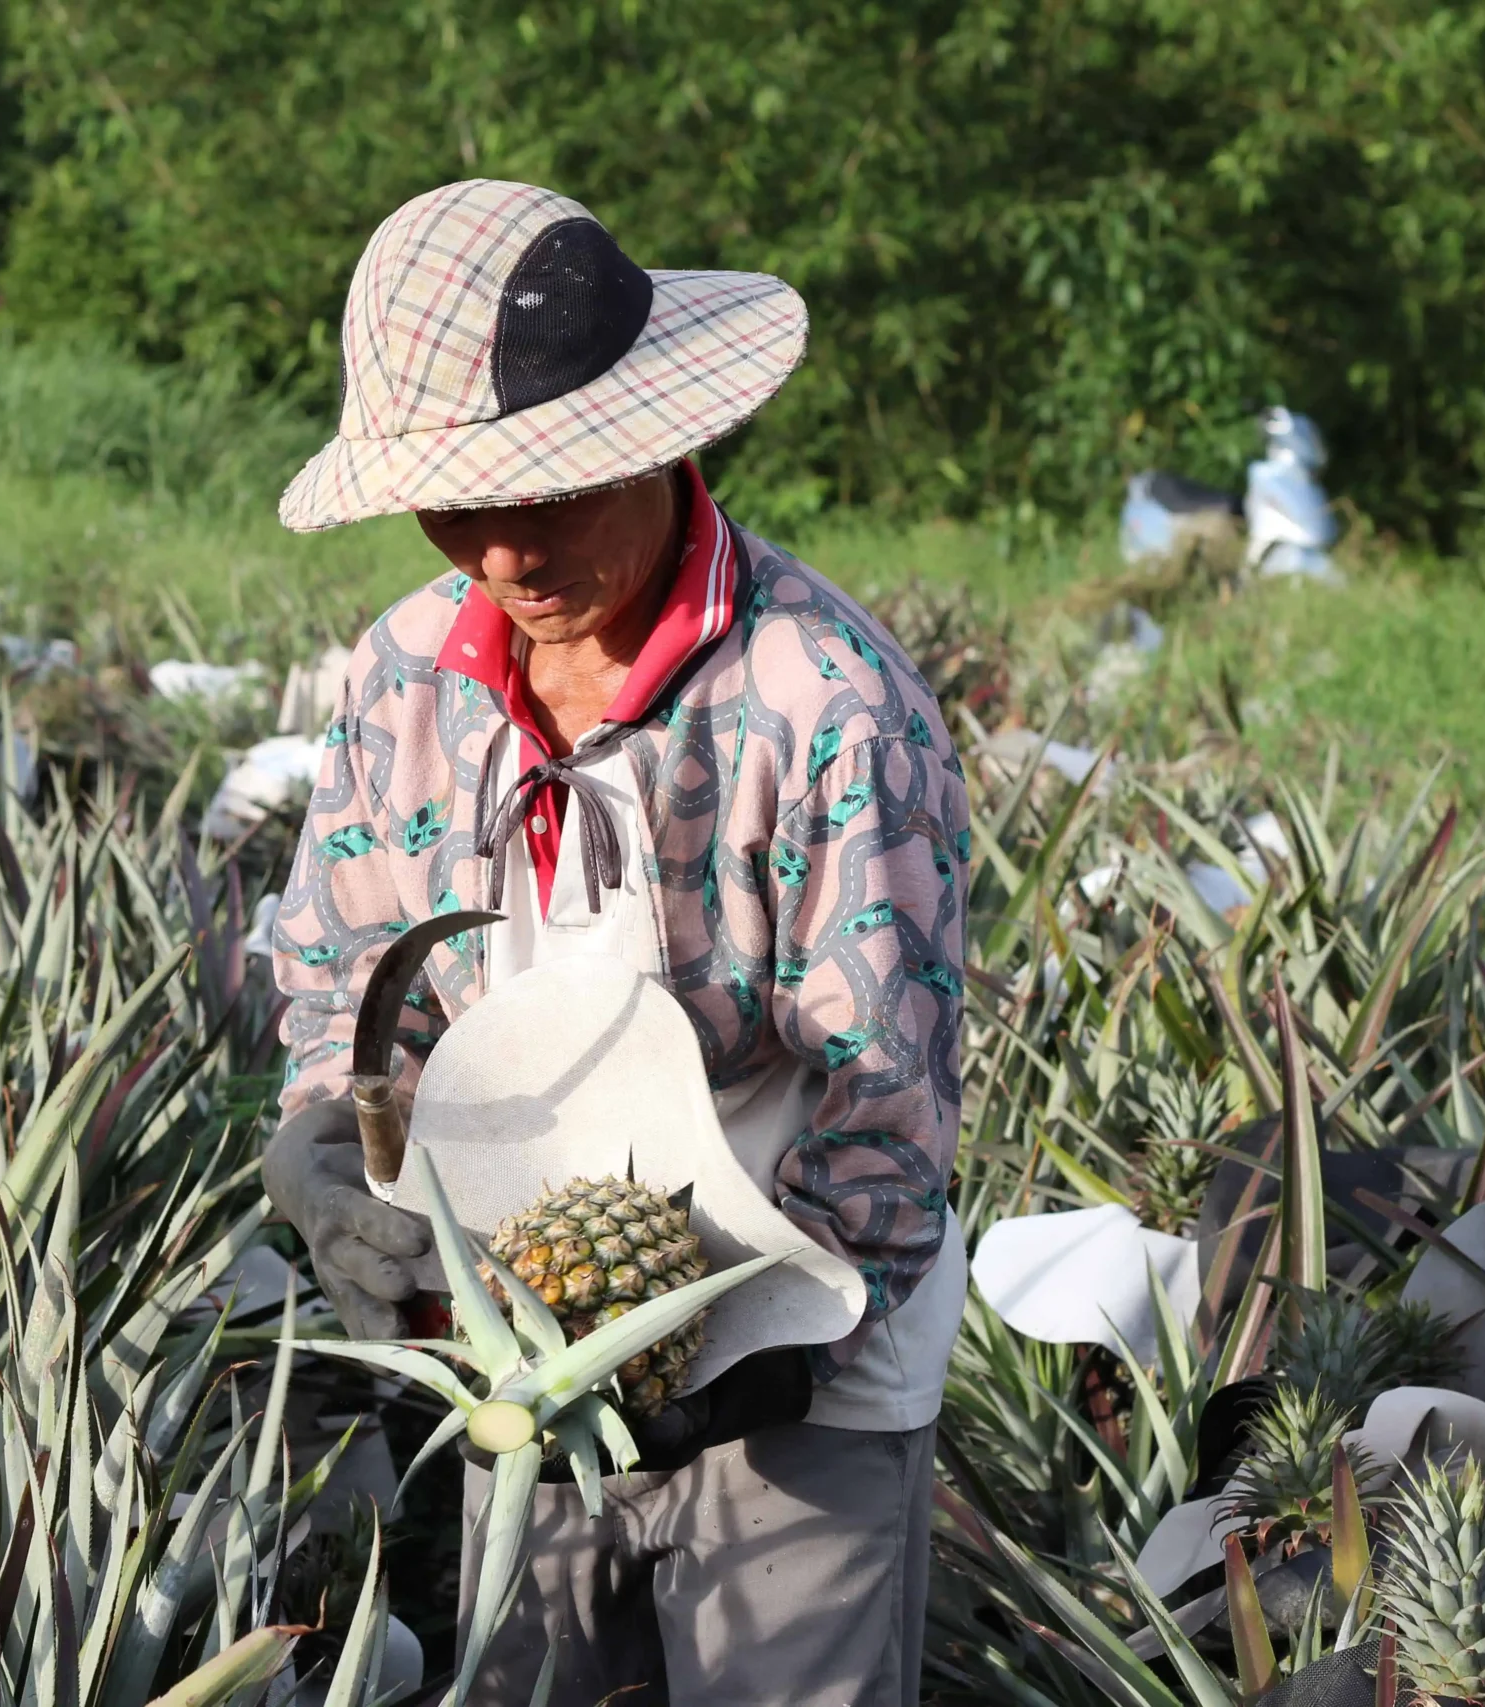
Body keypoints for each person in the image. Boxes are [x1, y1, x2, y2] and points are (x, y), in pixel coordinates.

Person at [258, 179, 970, 1707]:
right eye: (462, 505)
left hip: (801, 1351)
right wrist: (323, 1149)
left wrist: (746, 1352)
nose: (506, 554)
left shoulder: (822, 702)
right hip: (513, 1330)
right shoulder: (400, 680)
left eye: (551, 491)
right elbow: (342, 975)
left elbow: (887, 1100)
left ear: (656, 436)